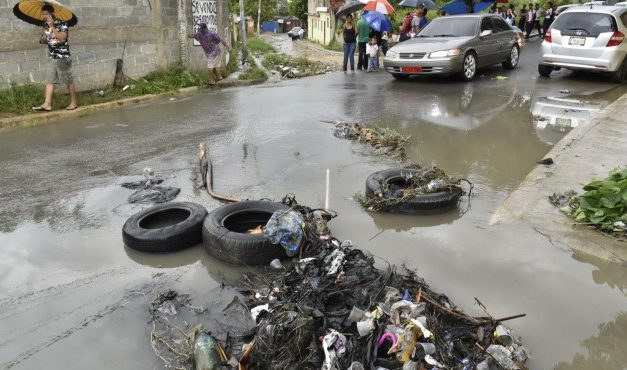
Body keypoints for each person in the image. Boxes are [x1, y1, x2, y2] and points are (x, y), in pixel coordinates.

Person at [32, 3, 77, 112]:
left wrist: (52, 26)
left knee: (68, 80)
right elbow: (51, 39)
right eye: (43, 14)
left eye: (46, 14)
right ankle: (47, 104)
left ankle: (74, 103)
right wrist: (44, 40)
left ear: (52, 13)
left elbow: (62, 39)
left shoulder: (62, 23)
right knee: (49, 80)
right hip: (52, 56)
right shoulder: (45, 25)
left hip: (62, 57)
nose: (44, 16)